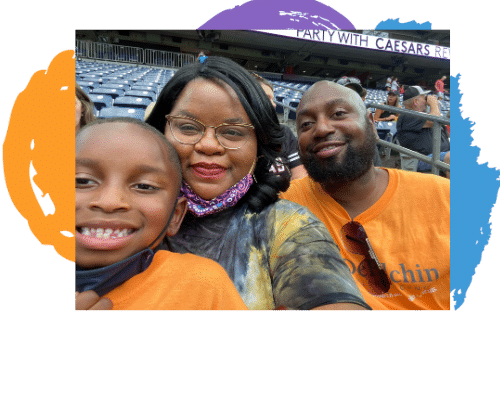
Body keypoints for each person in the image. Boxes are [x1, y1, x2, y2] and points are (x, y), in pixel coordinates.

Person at [146, 57, 370, 311]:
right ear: (159, 131)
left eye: (233, 131)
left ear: (259, 147)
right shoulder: (122, 212)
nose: (208, 145)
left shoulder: (285, 225)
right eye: (187, 127)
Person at [280, 81, 450, 311]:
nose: (321, 129)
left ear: (371, 124)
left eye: (338, 113)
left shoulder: (446, 198)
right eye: (306, 124)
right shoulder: (281, 210)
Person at [75, 118, 248, 311]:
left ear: (175, 215)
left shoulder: (200, 285)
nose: (110, 202)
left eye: (144, 186)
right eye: (82, 181)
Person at [251, 74, 307, 180]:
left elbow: (299, 175)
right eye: (267, 98)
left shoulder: (284, 132)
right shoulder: (233, 136)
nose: (274, 104)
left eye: (273, 99)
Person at [396, 86, 450, 174]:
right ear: (416, 102)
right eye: (424, 98)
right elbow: (435, 119)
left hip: (437, 155)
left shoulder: (421, 115)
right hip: (420, 160)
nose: (426, 100)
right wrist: (434, 104)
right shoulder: (406, 115)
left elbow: (436, 118)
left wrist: (435, 105)